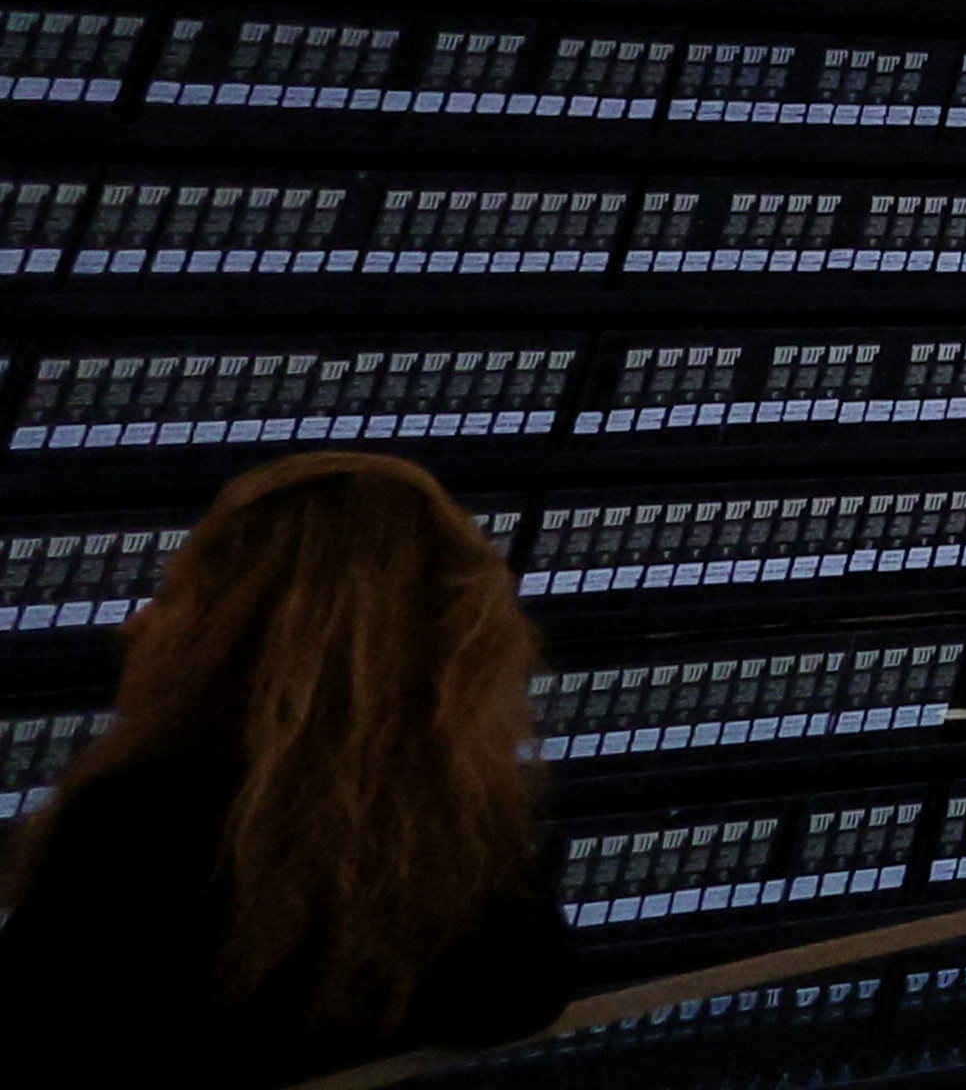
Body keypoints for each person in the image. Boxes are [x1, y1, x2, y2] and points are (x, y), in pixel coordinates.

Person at [0, 445, 571, 1079]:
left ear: (242, 637)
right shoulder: (467, 842)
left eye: (174, 596)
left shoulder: (135, 825)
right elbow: (523, 1003)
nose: (133, 626)